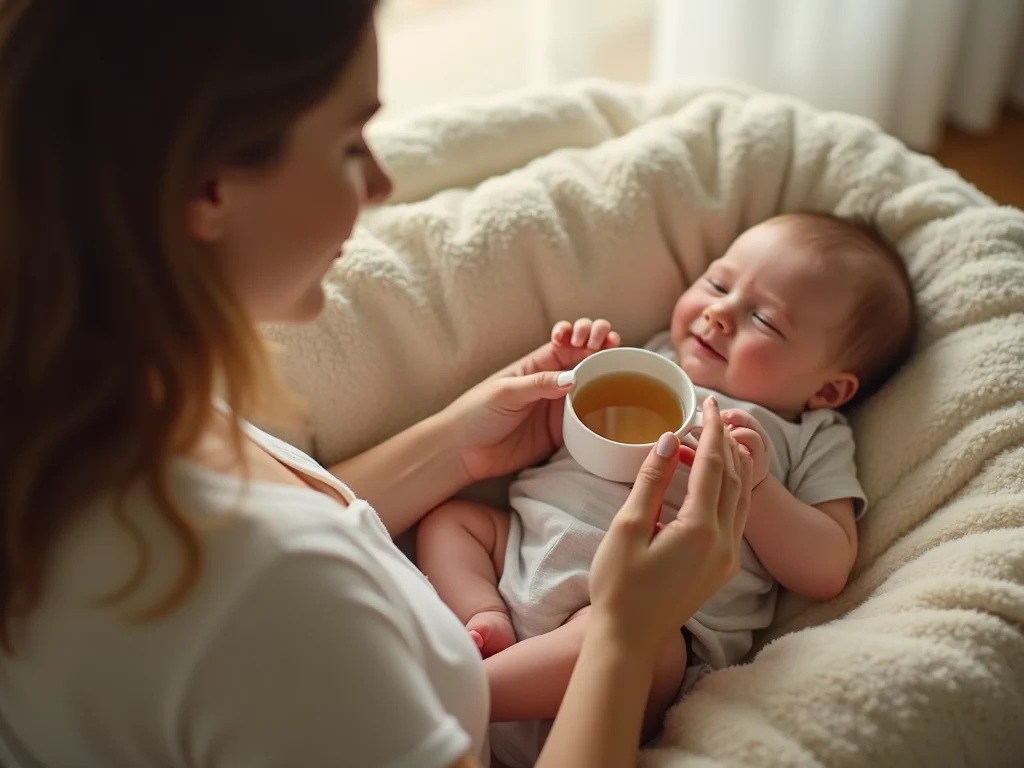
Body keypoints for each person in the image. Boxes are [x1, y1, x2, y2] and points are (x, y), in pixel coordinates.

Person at [0, 2, 754, 767]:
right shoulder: (265, 601)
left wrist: (457, 447)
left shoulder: (91, 388)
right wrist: (627, 636)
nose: (382, 184)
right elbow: (279, 580)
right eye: (348, 144)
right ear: (210, 186)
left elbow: (293, 525)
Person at [418, 212, 917, 766]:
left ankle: (460, 694)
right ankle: (483, 615)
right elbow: (558, 427)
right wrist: (573, 372)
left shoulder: (810, 436)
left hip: (639, 630)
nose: (719, 314)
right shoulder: (655, 358)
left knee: (654, 650)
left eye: (764, 321)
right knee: (452, 521)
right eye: (718, 284)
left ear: (827, 388)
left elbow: (826, 567)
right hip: (517, 551)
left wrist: (755, 486)